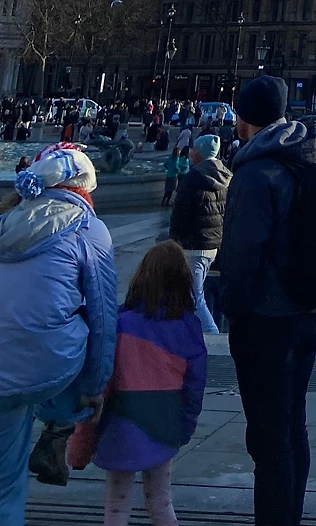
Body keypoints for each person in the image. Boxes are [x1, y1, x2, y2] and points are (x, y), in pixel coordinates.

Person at [218, 73, 316, 526]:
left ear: (246, 118)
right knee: (293, 428)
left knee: (269, 441)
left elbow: (241, 255)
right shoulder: (307, 154)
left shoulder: (254, 173)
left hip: (267, 320)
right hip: (307, 313)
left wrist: (232, 309)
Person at [0, 146, 116, 521]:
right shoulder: (89, 230)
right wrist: (95, 386)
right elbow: (103, 318)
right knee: (6, 485)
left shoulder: (6, 221)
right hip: (36, 371)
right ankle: (60, 425)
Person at [85, 240, 207, 525]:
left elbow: (102, 373)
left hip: (121, 421)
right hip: (164, 422)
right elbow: (195, 386)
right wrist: (186, 424)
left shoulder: (120, 322)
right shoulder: (187, 327)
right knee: (161, 500)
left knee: (117, 504)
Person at [168, 133, 229, 336]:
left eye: (195, 150)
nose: (192, 153)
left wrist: (174, 239)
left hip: (193, 244)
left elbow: (180, 212)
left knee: (194, 296)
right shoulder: (226, 175)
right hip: (213, 244)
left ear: (200, 153)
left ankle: (212, 335)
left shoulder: (193, 177)